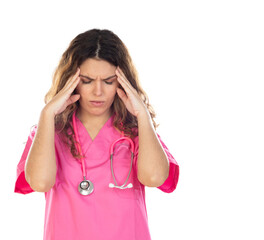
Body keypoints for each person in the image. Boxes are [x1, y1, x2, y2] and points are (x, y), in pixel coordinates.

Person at [14, 28, 179, 240]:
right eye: (87, 81)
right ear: (71, 81)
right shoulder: (50, 132)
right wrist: (47, 114)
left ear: (122, 82)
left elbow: (155, 177)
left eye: (109, 81)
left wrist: (142, 115)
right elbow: (39, 182)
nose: (98, 92)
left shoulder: (136, 131)